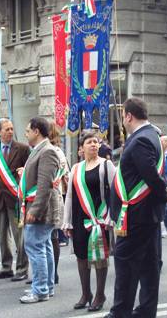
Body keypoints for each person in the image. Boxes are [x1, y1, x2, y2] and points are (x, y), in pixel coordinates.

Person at [105, 97, 167, 318]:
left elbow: (150, 175)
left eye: (122, 115)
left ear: (128, 116)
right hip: (147, 215)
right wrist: (165, 190)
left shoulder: (140, 140)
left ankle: (120, 312)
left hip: (136, 216)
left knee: (125, 266)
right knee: (149, 266)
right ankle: (145, 311)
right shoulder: (151, 135)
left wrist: (164, 192)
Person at [63, 130, 116, 312]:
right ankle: (86, 294)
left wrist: (110, 216)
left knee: (100, 257)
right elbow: (70, 196)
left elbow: (116, 192)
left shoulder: (106, 165)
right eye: (89, 142)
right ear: (81, 148)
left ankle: (100, 294)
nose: (94, 144)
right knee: (81, 256)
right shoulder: (76, 168)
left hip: (99, 219)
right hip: (80, 218)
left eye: (96, 142)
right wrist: (66, 221)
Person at [19, 117, 63, 304]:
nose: (26, 134)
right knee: (44, 248)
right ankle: (46, 286)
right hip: (39, 208)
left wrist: (35, 210)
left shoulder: (47, 151)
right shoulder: (39, 150)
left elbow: (44, 186)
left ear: (37, 131)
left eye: (28, 130)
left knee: (36, 248)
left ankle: (40, 290)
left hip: (41, 210)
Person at [0, 119, 30, 281]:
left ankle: (22, 268)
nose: (10, 132)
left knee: (19, 235)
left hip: (15, 198)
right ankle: (6, 267)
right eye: (7, 129)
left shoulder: (23, 149)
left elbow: (28, 172)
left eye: (12, 129)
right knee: (3, 236)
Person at [48, 122, 69, 284]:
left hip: (53, 197)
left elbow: (64, 174)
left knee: (52, 236)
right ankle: (48, 271)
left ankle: (52, 272)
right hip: (47, 197)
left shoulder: (55, 152)